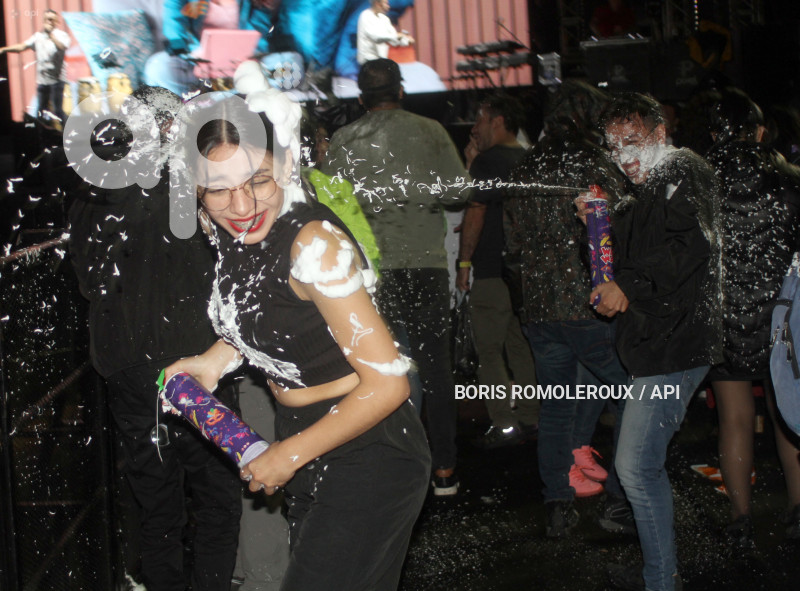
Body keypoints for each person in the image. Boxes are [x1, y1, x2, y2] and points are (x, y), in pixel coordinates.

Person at [165, 87, 431, 590]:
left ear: (287, 166)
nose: (241, 205)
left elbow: (389, 383)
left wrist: (287, 455)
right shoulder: (241, 231)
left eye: (258, 180)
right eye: (218, 190)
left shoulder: (314, 245)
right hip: (309, 445)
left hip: (368, 451)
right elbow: (271, 312)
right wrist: (213, 361)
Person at [68, 86, 243, 591]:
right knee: (216, 492)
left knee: (156, 498)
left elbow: (87, 283)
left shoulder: (93, 194)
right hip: (198, 363)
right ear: (170, 127)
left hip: (127, 365)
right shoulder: (195, 183)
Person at [578, 92, 722, 591]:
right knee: (639, 466)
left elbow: (691, 244)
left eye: (634, 140)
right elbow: (623, 257)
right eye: (615, 145)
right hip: (656, 343)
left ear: (660, 134)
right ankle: (658, 573)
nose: (624, 155)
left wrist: (628, 284)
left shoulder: (685, 169)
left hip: (675, 344)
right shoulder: (645, 186)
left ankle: (661, 579)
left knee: (636, 467)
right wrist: (593, 223)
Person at [322, 58, 468, 496]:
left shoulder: (345, 140)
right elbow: (458, 192)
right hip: (426, 266)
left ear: (361, 98)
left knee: (389, 369)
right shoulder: (430, 131)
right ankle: (445, 469)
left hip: (374, 275)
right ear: (400, 91)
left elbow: (330, 207)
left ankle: (402, 467)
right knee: (436, 369)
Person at [506, 80, 630, 537]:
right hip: (591, 304)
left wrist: (525, 304)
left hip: (540, 309)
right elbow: (613, 228)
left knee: (556, 408)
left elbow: (512, 245)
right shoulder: (595, 162)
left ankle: (558, 502)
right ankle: (621, 498)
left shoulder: (525, 166)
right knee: (632, 401)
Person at [705, 88, 800, 547]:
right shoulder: (788, 176)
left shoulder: (698, 178)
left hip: (723, 317)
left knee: (735, 417)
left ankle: (740, 517)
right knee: (787, 413)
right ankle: (797, 510)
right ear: (760, 131)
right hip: (784, 315)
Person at [456, 94, 539, 449]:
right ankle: (531, 416)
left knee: (489, 350)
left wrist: (464, 264)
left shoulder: (488, 162)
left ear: (498, 121)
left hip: (491, 269)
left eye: (480, 119)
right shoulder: (529, 158)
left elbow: (476, 211)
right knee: (521, 347)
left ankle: (504, 422)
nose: (475, 127)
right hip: (524, 272)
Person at [0, 9, 70, 126]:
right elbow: (22, 47)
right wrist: (4, 49)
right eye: (47, 19)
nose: (49, 22)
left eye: (52, 20)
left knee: (57, 110)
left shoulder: (61, 35)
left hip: (57, 80)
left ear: (57, 22)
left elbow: (62, 47)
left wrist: (51, 35)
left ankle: (68, 131)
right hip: (42, 80)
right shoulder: (38, 36)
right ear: (43, 21)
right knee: (41, 110)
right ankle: (41, 133)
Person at [356, 0, 414, 65]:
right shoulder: (365, 16)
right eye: (386, 4)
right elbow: (375, 37)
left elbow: (394, 41)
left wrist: (406, 41)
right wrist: (397, 36)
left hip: (381, 60)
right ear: (377, 3)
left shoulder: (384, 19)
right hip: (367, 61)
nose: (388, 7)